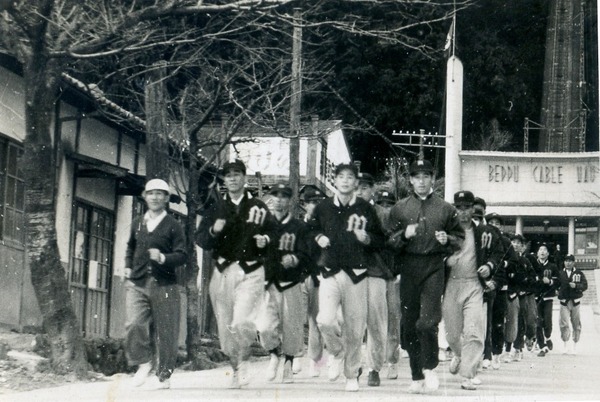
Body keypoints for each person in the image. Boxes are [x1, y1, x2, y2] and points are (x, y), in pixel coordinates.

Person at [387, 159, 464, 394]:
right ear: (410, 180)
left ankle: (430, 366)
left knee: (428, 321)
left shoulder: (445, 208)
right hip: (408, 268)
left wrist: (446, 240)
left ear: (433, 179)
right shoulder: (399, 208)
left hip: (433, 266)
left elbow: (459, 239)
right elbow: (389, 241)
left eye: (426, 176)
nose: (421, 181)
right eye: (416, 176)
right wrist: (404, 234)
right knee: (409, 325)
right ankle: (416, 375)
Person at [196, 159, 274, 388]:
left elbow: (274, 234)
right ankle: (236, 366)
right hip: (223, 270)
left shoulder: (258, 206)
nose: (232, 178)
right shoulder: (215, 207)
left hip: (250, 269)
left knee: (242, 321)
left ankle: (245, 360)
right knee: (225, 327)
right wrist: (213, 230)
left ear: (244, 178)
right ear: (224, 180)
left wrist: (265, 240)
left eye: (237, 174)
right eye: (228, 175)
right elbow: (200, 238)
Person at [308, 163, 385, 392]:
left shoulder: (365, 209)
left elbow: (380, 239)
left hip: (357, 274)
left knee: (354, 328)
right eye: (341, 177)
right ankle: (337, 352)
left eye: (350, 177)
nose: (345, 181)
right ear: (334, 180)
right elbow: (308, 231)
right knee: (324, 320)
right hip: (330, 272)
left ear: (355, 182)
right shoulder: (322, 207)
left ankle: (351, 375)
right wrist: (319, 236)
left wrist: (367, 239)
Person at [125, 178, 187, 390]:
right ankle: (143, 363)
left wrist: (162, 258)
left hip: (165, 284)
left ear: (167, 198)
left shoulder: (174, 225)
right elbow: (130, 249)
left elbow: (182, 255)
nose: (155, 197)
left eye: (160, 194)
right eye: (151, 193)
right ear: (144, 196)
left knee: (166, 331)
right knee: (134, 323)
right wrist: (127, 267)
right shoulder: (137, 222)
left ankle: (164, 374)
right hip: (139, 281)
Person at [443, 191, 505, 391]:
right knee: (452, 335)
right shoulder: (447, 231)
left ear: (473, 209)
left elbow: (498, 252)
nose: (462, 212)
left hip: (474, 286)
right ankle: (460, 355)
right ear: (454, 209)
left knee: (475, 331)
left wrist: (489, 266)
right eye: (458, 208)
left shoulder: (484, 232)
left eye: (466, 207)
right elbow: (434, 254)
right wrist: (446, 261)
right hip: (452, 284)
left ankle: (468, 375)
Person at [258, 184, 309, 383]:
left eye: (284, 196)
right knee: (264, 327)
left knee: (292, 326)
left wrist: (295, 259)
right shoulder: (263, 224)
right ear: (271, 198)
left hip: (290, 281)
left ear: (290, 201)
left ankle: (288, 361)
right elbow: (251, 250)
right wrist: (258, 244)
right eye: (275, 195)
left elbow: (306, 254)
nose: (279, 199)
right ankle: (273, 354)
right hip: (267, 281)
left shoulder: (298, 227)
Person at [356, 172, 392, 387]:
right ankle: (354, 363)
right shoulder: (343, 210)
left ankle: (373, 367)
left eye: (364, 187)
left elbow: (390, 243)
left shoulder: (381, 213)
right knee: (351, 323)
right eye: (357, 186)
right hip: (350, 272)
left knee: (376, 323)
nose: (360, 191)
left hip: (375, 272)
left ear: (372, 191)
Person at [298, 185, 329, 377]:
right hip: (300, 277)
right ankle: (292, 357)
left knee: (317, 321)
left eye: (318, 202)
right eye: (311, 202)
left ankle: (315, 360)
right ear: (304, 205)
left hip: (319, 277)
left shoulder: (325, 228)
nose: (314, 206)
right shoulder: (297, 226)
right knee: (295, 319)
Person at [375, 189, 403, 380]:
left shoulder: (400, 228)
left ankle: (392, 361)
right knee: (374, 321)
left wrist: (400, 272)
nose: (385, 208)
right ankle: (375, 362)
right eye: (382, 204)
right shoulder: (372, 227)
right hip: (375, 277)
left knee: (393, 320)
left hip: (394, 278)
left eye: (389, 204)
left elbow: (405, 252)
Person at [484, 212, 517, 369]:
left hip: (501, 286)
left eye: (497, 223)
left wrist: (503, 264)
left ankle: (497, 354)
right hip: (484, 285)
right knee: (484, 321)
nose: (494, 226)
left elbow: (514, 261)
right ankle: (485, 355)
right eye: (491, 223)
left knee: (498, 321)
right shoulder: (482, 239)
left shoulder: (505, 241)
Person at [528, 243, 560, 357]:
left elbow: (558, 281)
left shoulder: (553, 266)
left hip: (548, 296)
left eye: (544, 250)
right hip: (535, 297)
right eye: (540, 249)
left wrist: (550, 282)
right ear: (537, 253)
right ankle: (542, 346)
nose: (542, 252)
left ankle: (548, 337)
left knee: (548, 322)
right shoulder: (532, 264)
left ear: (548, 253)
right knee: (538, 322)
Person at [512, 234, 539, 356]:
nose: (516, 245)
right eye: (514, 242)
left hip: (527, 294)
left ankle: (530, 337)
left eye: (519, 243)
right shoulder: (507, 259)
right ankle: (517, 347)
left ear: (524, 247)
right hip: (514, 294)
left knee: (530, 320)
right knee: (517, 320)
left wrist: (526, 282)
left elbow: (535, 276)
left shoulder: (528, 260)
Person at [557, 254, 588, 355]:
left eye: (570, 261)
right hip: (564, 302)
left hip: (575, 302)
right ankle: (565, 344)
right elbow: (556, 284)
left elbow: (585, 285)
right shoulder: (560, 273)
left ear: (573, 262)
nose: (568, 263)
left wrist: (576, 286)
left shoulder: (579, 273)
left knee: (576, 323)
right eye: (566, 261)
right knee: (564, 323)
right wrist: (557, 291)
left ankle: (575, 345)